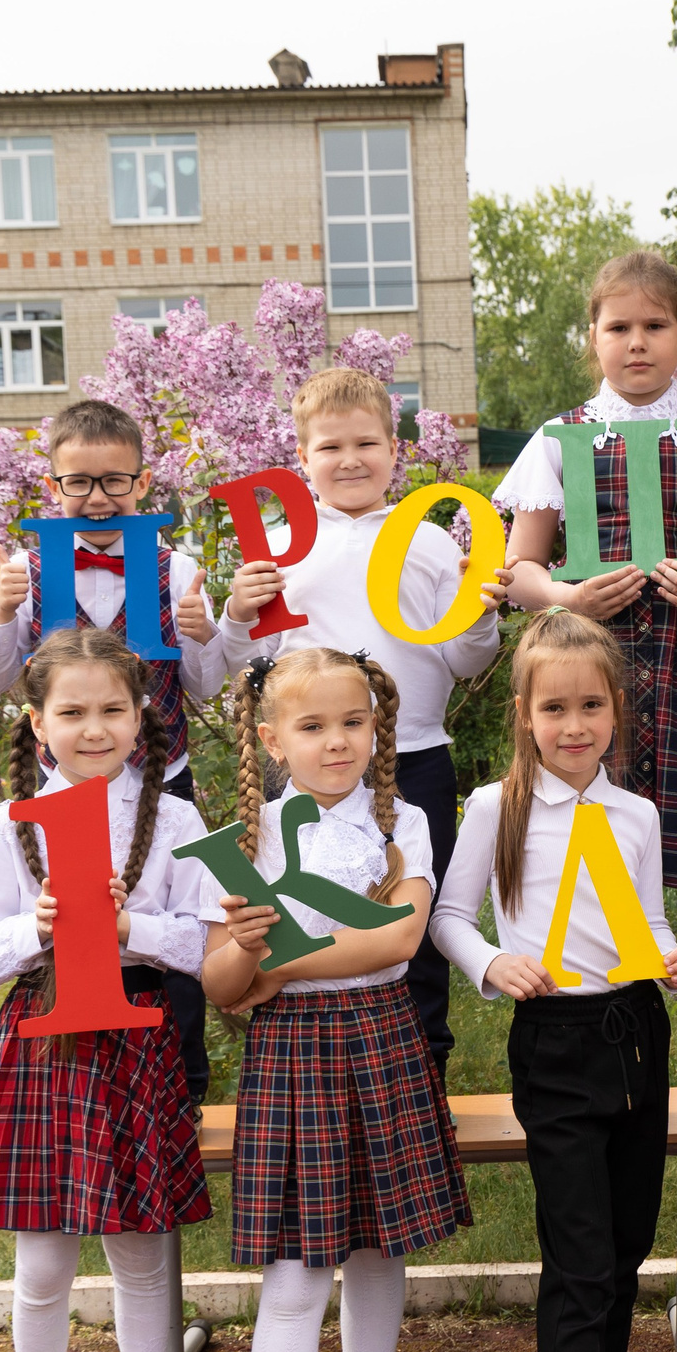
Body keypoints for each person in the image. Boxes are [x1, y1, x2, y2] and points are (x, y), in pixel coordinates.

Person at [199, 647, 470, 1352]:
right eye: (312, 726)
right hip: (294, 1058)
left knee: (379, 1246)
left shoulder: (404, 822)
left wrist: (275, 963)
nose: (336, 741)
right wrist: (247, 960)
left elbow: (399, 940)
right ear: (272, 740)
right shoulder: (244, 839)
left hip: (384, 1039)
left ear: (376, 727)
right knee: (296, 1276)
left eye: (353, 722)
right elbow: (221, 985)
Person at [428, 609, 677, 1352]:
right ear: (524, 714)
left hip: (638, 1036)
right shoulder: (493, 808)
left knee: (624, 1249)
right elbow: (449, 917)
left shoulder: (637, 815)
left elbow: (642, 922)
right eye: (555, 709)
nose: (574, 725)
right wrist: (491, 963)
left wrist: (669, 955)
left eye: (590, 706)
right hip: (556, 1046)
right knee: (579, 1261)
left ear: (616, 709)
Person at [498, 250, 677, 1121]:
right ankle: (596, 1048)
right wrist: (568, 596)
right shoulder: (560, 439)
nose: (636, 342)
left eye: (654, 325)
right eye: (618, 326)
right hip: (597, 670)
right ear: (591, 336)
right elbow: (520, 569)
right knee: (594, 854)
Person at [0, 627, 217, 1352]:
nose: (93, 727)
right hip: (43, 1043)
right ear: (38, 722)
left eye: (112, 709)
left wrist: (132, 926)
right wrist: (39, 926)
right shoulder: (9, 822)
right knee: (41, 1265)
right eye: (72, 711)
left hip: (137, 1043)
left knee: (141, 1256)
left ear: (141, 716)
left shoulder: (175, 819)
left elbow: (208, 943)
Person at [220, 368, 506, 1079]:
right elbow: (248, 662)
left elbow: (465, 659)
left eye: (366, 443)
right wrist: (235, 612)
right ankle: (302, 1058)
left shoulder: (429, 543)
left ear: (394, 450)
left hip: (414, 759)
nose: (350, 460)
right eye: (330, 447)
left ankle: (421, 1068)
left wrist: (480, 615)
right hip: (309, 771)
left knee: (412, 921)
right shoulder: (276, 548)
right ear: (302, 456)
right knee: (305, 908)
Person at [0, 396, 225, 1107]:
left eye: (115, 480)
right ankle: (68, 1073)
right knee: (68, 928)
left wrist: (206, 635)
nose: (98, 497)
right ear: (53, 484)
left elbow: (204, 683)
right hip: (63, 788)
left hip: (162, 781)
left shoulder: (178, 568)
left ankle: (180, 1085)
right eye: (78, 482)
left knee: (166, 929)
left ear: (142, 482)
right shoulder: (27, 570)